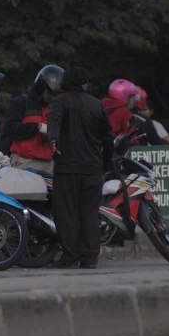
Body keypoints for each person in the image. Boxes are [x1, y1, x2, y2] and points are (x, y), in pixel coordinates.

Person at [47, 67, 114, 269]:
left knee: (67, 214)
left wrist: (53, 139)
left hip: (67, 167)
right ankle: (89, 258)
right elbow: (108, 137)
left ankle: (69, 258)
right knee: (89, 214)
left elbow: (54, 121)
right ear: (84, 83)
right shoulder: (96, 104)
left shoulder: (59, 101)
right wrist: (106, 163)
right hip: (93, 168)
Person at [3, 65, 65, 172]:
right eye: (49, 93)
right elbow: (9, 128)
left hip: (49, 163)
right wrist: (36, 127)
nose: (51, 98)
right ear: (41, 87)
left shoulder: (55, 107)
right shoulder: (22, 102)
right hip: (24, 161)